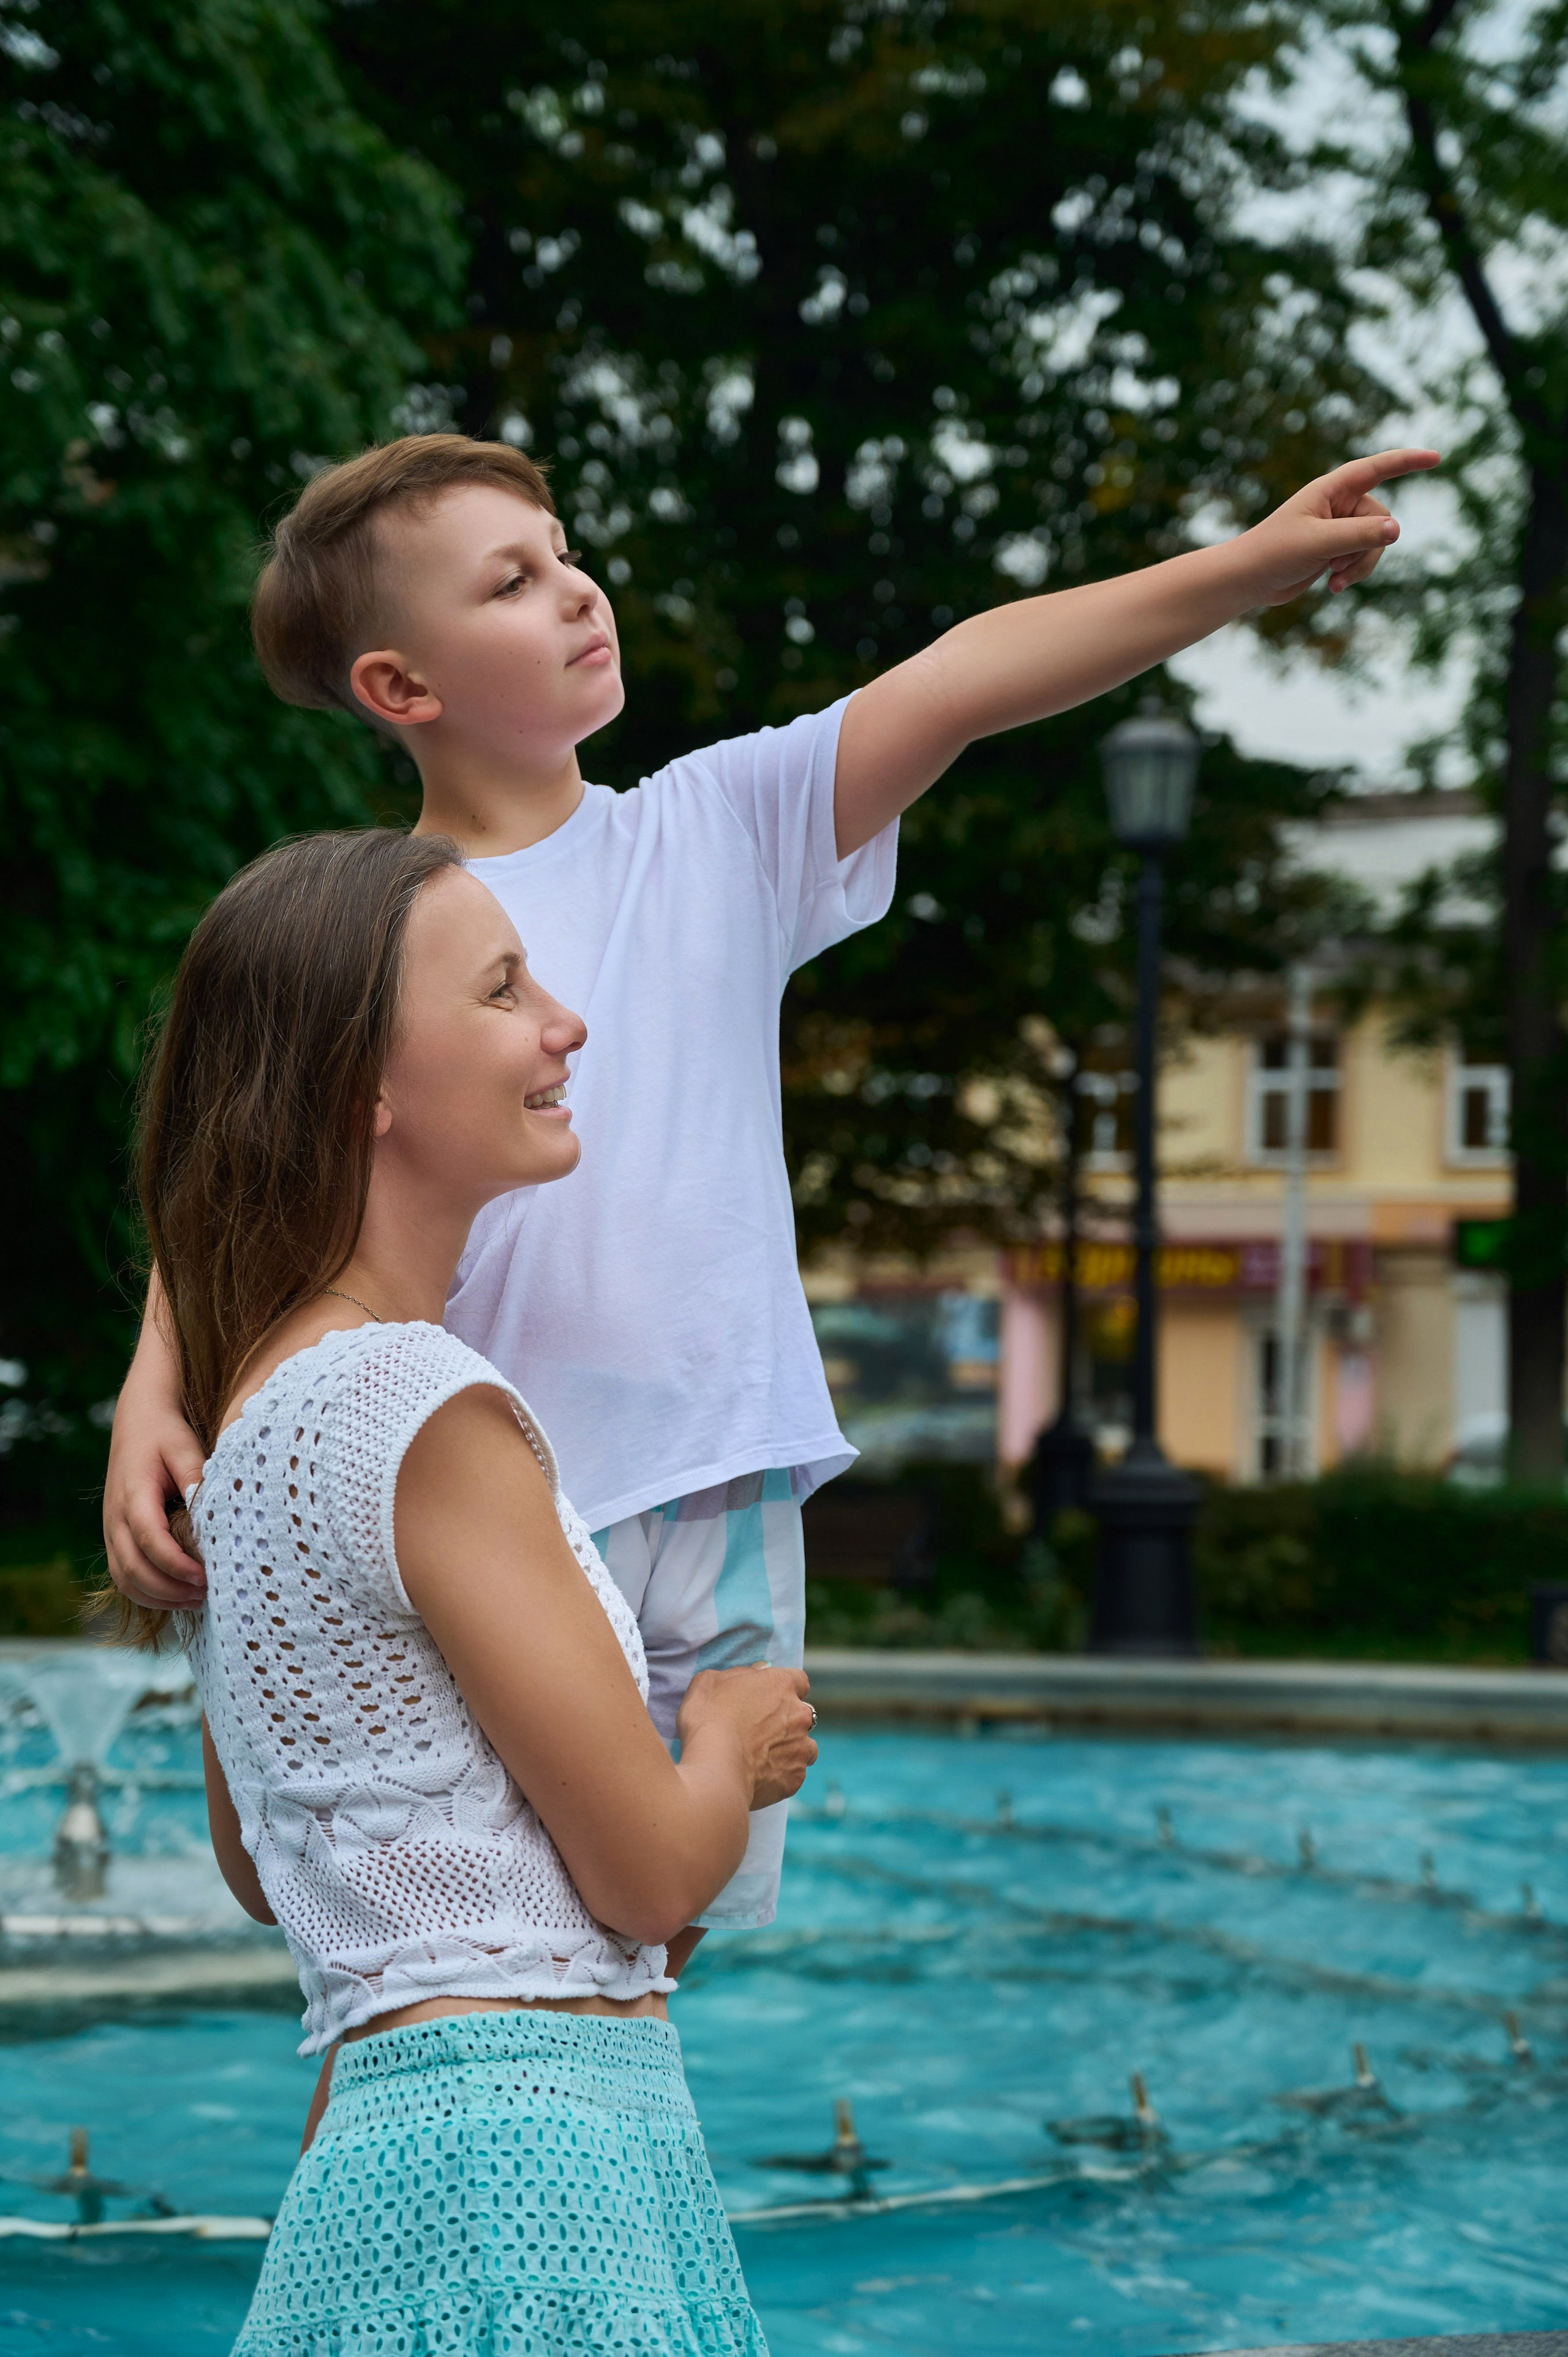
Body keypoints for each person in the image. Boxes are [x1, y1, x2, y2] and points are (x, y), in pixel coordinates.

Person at [105, 430, 1438, 1966]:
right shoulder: (370, 929)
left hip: (715, 1477)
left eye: (564, 551)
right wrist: (158, 1385)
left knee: (639, 1955)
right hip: (478, 1504)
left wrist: (1242, 569)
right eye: (513, 580)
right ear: (401, 687)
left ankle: (605, 2203)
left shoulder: (713, 830)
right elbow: (248, 1162)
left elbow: (967, 672)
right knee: (425, 1935)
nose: (577, 590)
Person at [135, 823, 812, 2351]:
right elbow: (648, 1876)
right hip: (537, 2154)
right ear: (364, 1090)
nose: (562, 1023)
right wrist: (732, 1742)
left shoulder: (253, 1430)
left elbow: (275, 1873)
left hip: (387, 2151)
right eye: (503, 990)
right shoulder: (425, 1410)